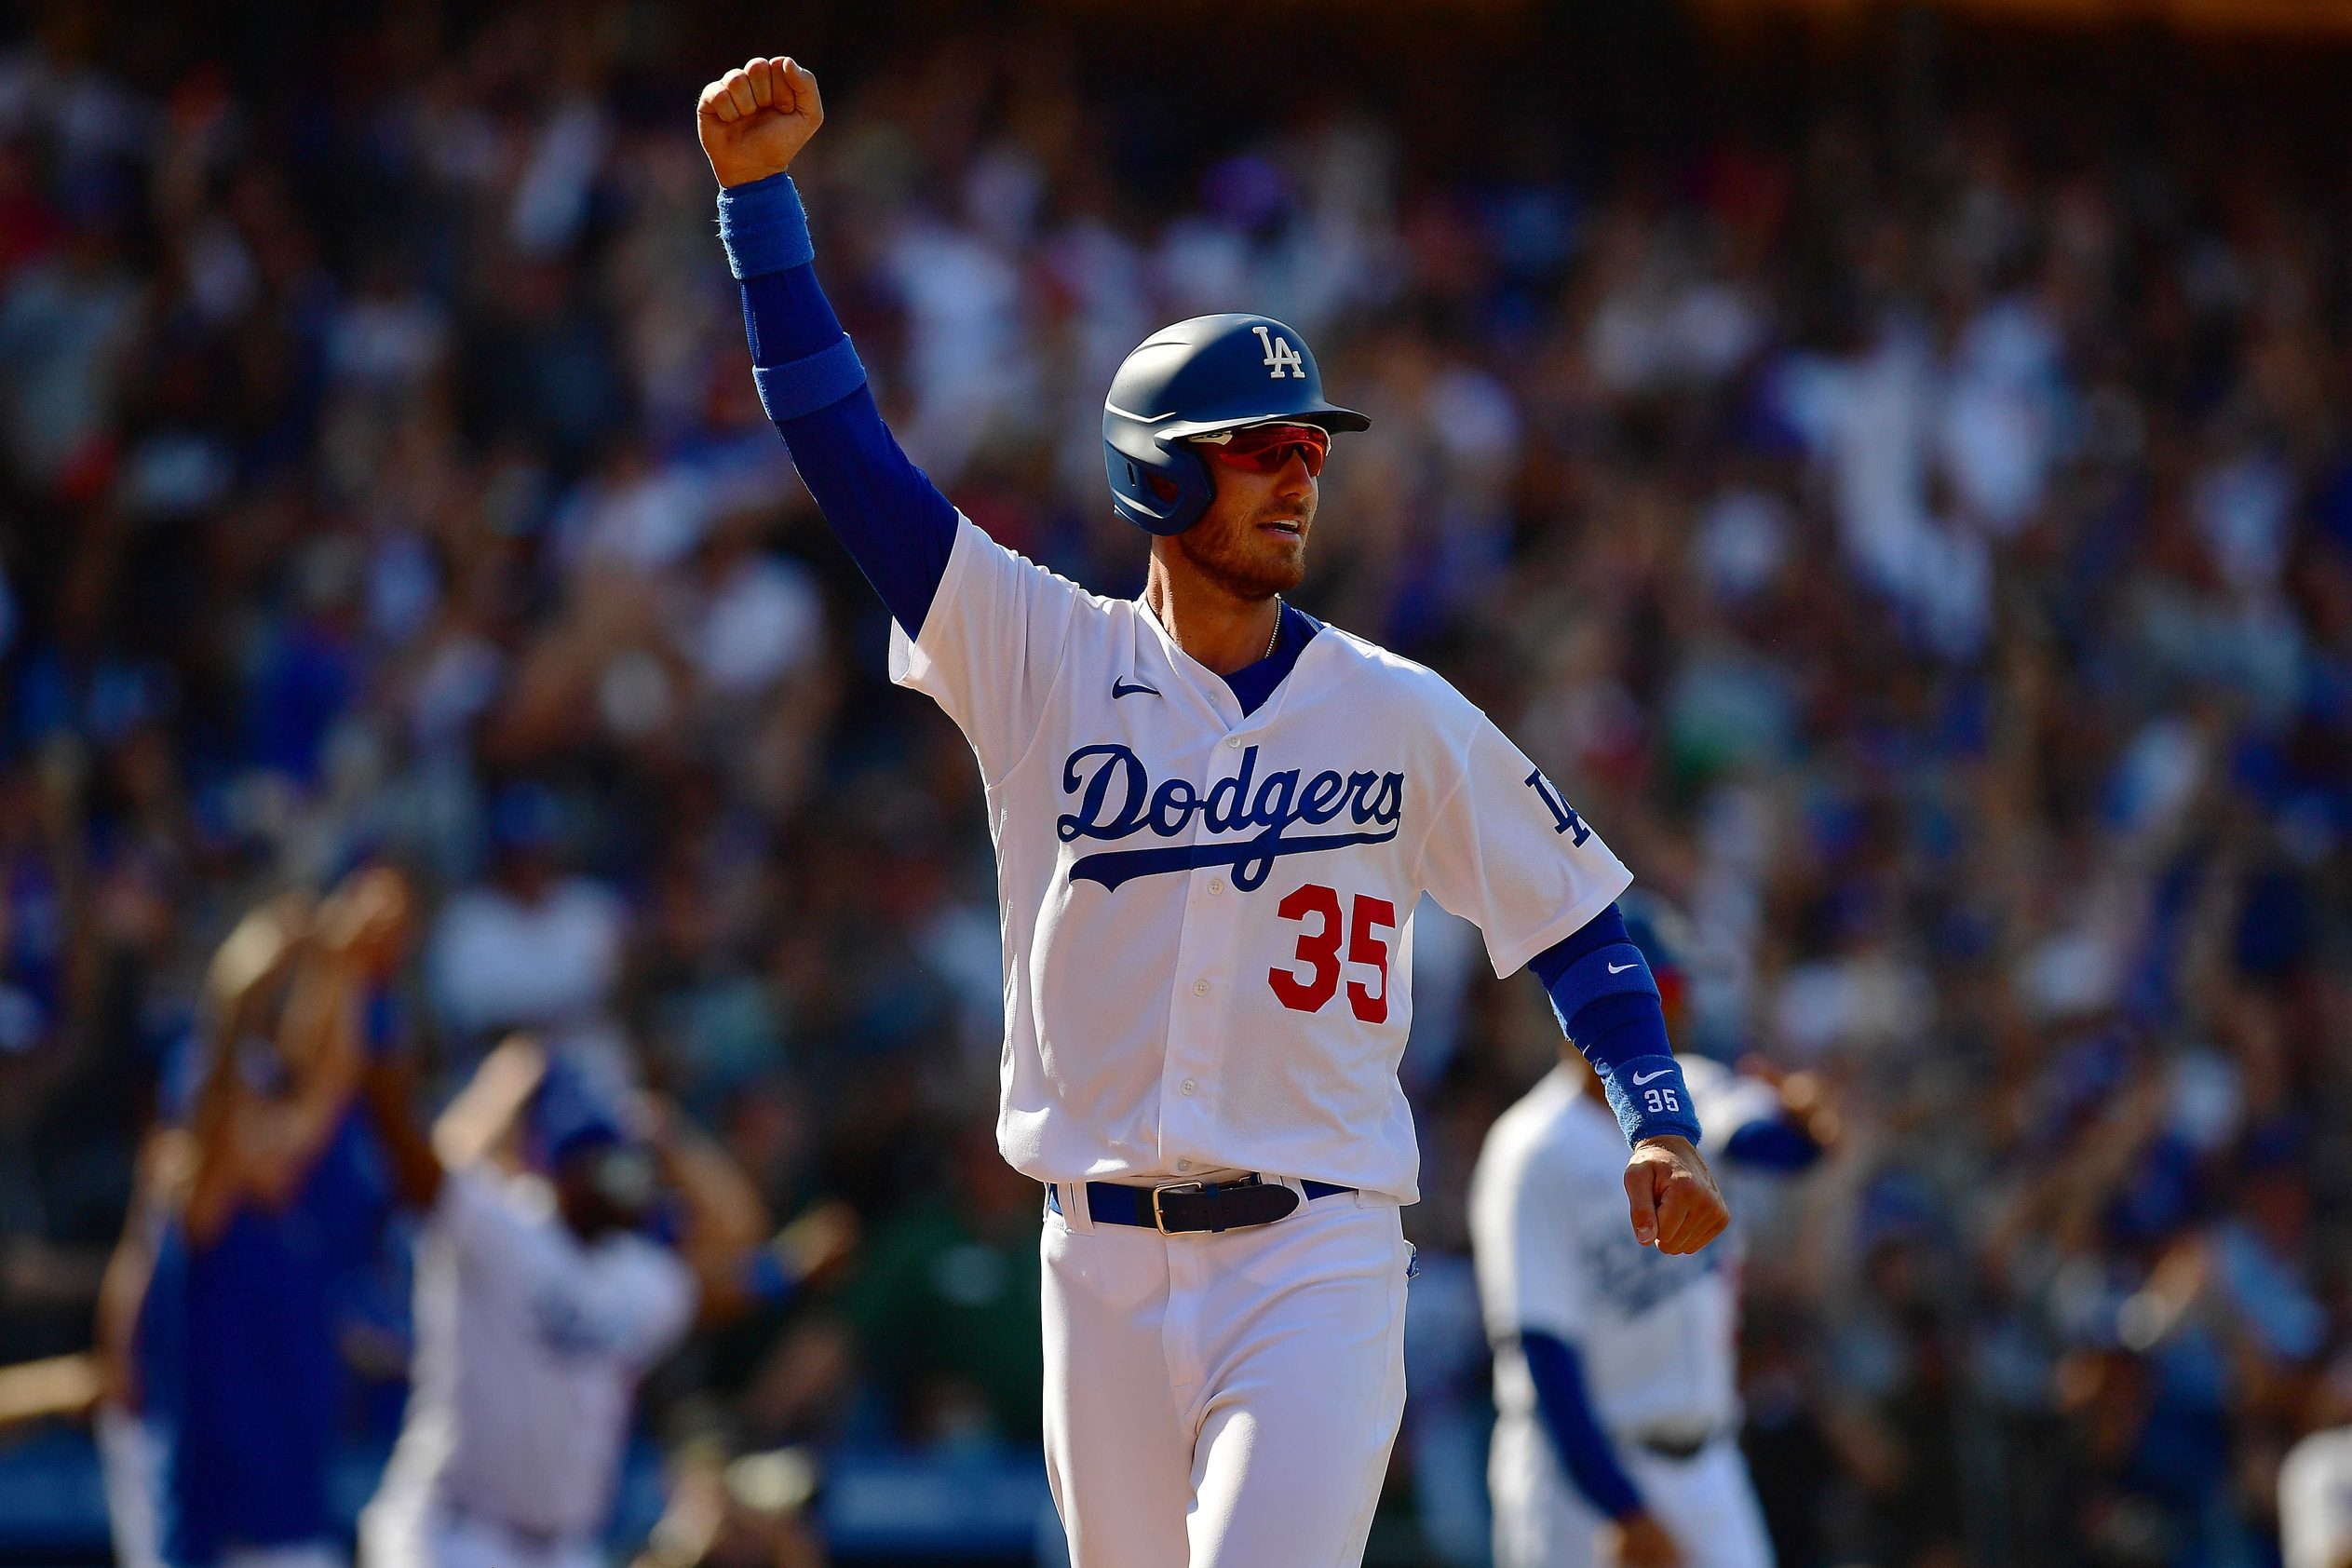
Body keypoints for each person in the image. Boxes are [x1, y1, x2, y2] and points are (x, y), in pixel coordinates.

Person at [695, 54, 1731, 1568]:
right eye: (1260, 445)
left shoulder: (1398, 704)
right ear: (1157, 474)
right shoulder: (1038, 649)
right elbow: (844, 454)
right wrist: (759, 209)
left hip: (1313, 1255)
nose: (1299, 474)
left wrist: (1658, 1115)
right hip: (1093, 1261)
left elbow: (1579, 920)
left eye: (1308, 445)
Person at [356, 1034, 848, 1568]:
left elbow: (742, 1255)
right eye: (605, 1168)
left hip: (565, 1546)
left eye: (626, 1168)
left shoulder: (636, 1276)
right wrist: (503, 1086)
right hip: (454, 1533)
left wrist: (670, 1134)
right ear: (563, 1170)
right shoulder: (502, 1228)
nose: (624, 1184)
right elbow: (422, 1160)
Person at [1469, 900, 1830, 1568]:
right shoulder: (1531, 1150)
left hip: (1710, 1461)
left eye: (1672, 990)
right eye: (1655, 991)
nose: (1670, 1010)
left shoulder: (1691, 1090)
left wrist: (1810, 1124)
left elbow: (1770, 1146)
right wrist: (1622, 1509)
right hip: (1579, 1479)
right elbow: (1542, 1350)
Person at [94, 868, 414, 1568]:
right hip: (217, 1544)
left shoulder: (298, 1198)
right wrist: (235, 993)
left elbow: (329, 1077)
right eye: (253, 1112)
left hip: (295, 1529)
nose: (274, 1127)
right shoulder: (203, 1212)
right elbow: (215, 1117)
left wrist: (341, 965)